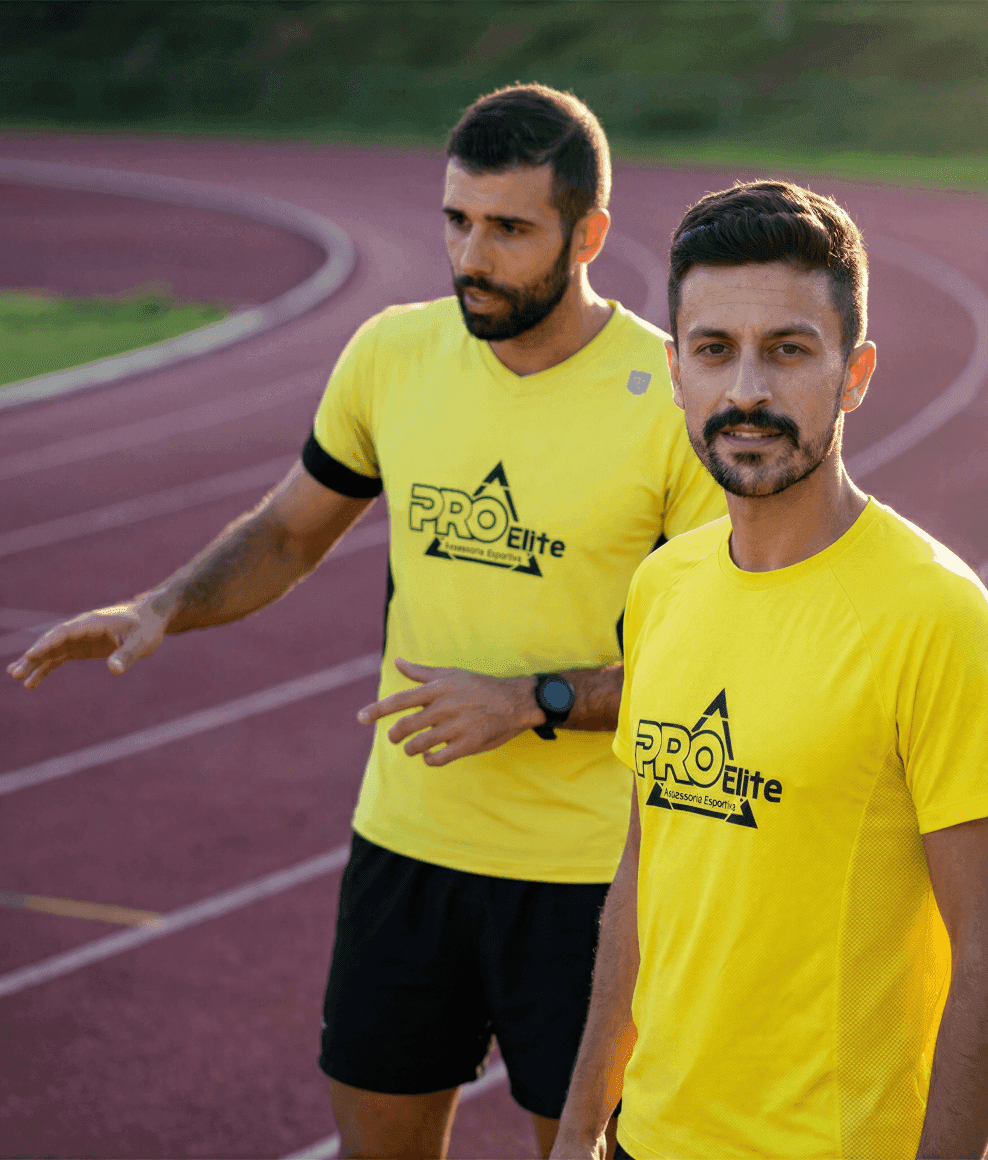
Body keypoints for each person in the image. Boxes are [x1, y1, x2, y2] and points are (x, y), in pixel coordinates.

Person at [8, 85, 726, 1159]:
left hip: (590, 876)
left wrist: (530, 699)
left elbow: (707, 658)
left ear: (590, 234)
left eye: (509, 229)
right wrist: (161, 604)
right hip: (407, 844)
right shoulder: (393, 351)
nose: (471, 254)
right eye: (456, 220)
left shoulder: (670, 396)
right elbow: (292, 531)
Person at [551, 180, 988, 1160]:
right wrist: (583, 1118)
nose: (745, 389)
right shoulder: (663, 584)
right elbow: (643, 872)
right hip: (648, 1138)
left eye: (787, 350)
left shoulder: (937, 616)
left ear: (855, 371)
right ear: (674, 370)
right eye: (714, 350)